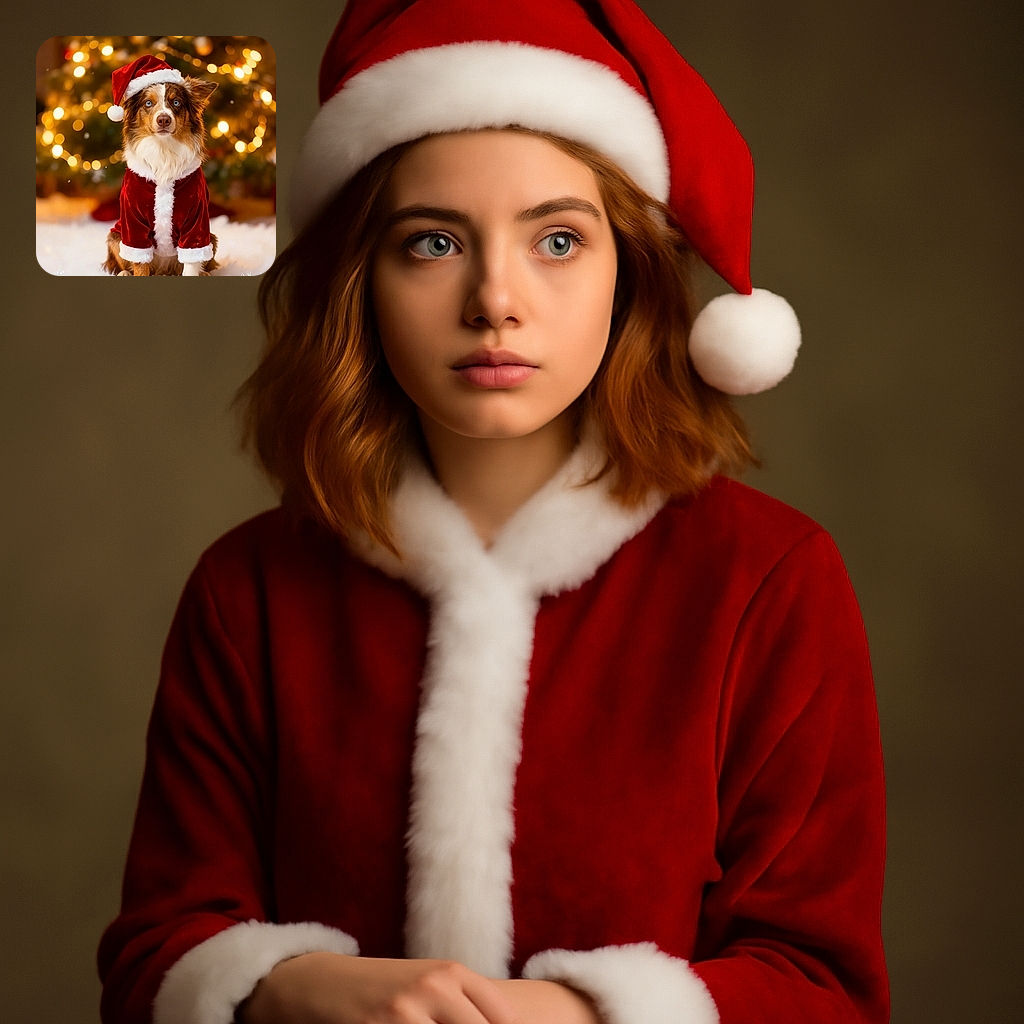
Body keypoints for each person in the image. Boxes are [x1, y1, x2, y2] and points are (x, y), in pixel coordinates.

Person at [98, 2, 888, 1022]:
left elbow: (823, 985)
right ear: (360, 283)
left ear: (630, 277)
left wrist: (576, 1014)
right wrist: (290, 987)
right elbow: (154, 955)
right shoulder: (248, 588)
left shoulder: (768, 577)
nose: (495, 300)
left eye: (558, 239)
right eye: (431, 242)